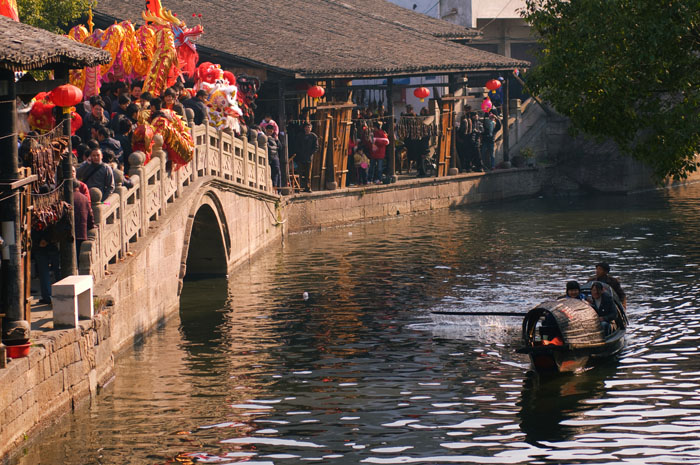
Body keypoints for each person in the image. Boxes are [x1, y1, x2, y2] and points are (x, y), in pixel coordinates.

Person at [72, 180, 94, 264]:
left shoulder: (67, 197)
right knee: (78, 255)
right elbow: (90, 214)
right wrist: (91, 226)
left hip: (70, 232)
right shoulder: (84, 198)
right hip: (82, 231)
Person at [296, 122, 318, 192]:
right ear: (304, 128)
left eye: (309, 127)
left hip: (309, 157)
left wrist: (311, 153)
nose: (307, 129)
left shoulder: (314, 136)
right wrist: (299, 153)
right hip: (300, 157)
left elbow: (316, 147)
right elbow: (296, 145)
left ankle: (308, 187)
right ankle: (298, 187)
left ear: (311, 128)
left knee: (308, 174)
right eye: (306, 127)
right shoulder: (300, 136)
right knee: (299, 173)